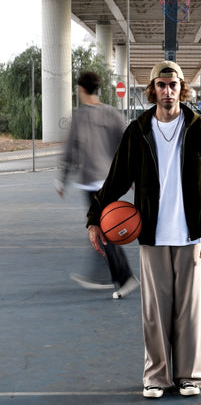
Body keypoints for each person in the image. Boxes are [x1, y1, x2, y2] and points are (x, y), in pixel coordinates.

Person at [87, 60, 201, 398]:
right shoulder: (137, 131)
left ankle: (189, 376)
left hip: (191, 234)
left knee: (190, 312)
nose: (167, 91)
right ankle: (156, 377)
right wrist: (94, 218)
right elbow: (117, 178)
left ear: (181, 88)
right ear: (152, 90)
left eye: (173, 85)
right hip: (152, 234)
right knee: (154, 312)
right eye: (161, 85)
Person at [56, 70, 138, 299]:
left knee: (105, 230)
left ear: (81, 89)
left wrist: (61, 179)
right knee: (101, 229)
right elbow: (126, 145)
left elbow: (70, 151)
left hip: (91, 183)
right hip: (110, 181)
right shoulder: (112, 113)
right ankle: (103, 276)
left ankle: (125, 277)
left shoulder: (79, 116)